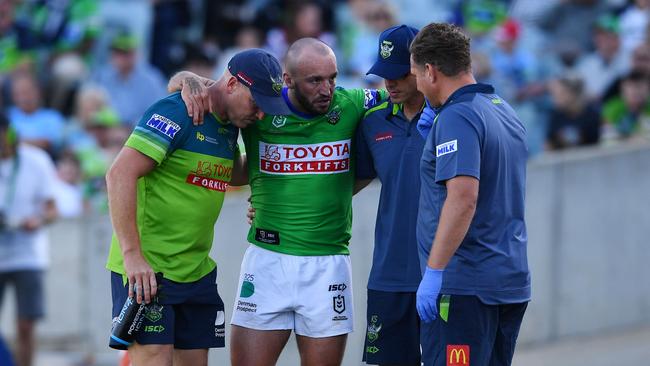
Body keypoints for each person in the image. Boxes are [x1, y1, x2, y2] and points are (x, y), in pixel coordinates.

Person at [170, 38, 385, 366]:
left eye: (332, 78)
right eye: (315, 80)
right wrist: (187, 82)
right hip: (267, 261)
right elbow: (196, 84)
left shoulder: (353, 103)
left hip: (327, 263)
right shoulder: (259, 106)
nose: (326, 89)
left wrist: (335, 191)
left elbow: (405, 94)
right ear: (287, 80)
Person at [105, 49, 289, 366]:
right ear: (232, 84)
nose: (260, 115)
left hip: (196, 271)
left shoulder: (230, 123)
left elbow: (230, 172)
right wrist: (132, 255)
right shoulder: (180, 111)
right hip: (149, 271)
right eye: (256, 104)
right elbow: (119, 173)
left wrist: (270, 184)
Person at [410, 23, 530, 366]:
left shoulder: (456, 117)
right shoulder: (501, 108)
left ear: (431, 71)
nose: (417, 84)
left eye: (416, 74)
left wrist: (434, 272)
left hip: (464, 286)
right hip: (508, 279)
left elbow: (463, 198)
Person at [354, 25, 426, 366]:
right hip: (389, 274)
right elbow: (348, 183)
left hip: (444, 274)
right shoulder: (372, 122)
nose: (390, 83)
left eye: (398, 74)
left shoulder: (454, 118)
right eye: (384, 74)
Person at [0, 113, 59, 366]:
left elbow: (52, 209)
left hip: (28, 254)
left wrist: (37, 221)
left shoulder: (35, 161)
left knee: (26, 325)